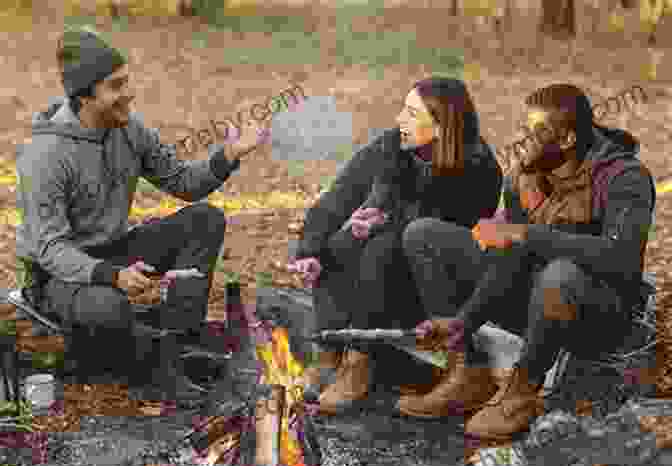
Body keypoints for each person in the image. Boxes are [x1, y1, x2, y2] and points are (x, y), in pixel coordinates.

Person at [15, 26, 269, 402]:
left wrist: (229, 154)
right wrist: (111, 276)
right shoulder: (45, 156)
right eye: (116, 86)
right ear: (86, 95)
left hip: (115, 253)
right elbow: (50, 248)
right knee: (107, 305)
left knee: (205, 219)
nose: (129, 93)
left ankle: (180, 342)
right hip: (59, 276)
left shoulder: (129, 130)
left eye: (127, 82)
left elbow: (183, 181)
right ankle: (150, 364)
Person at [398, 83, 656, 440]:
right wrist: (465, 321)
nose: (521, 140)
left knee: (560, 273)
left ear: (565, 140)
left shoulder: (624, 177)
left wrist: (526, 234)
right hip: (534, 299)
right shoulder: (523, 176)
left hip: (599, 313)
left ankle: (522, 388)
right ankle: (465, 371)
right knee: (424, 235)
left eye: (533, 132)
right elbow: (512, 257)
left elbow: (621, 259)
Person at [289, 77, 503, 415]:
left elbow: (431, 233)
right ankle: (330, 351)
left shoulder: (477, 167)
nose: (400, 120)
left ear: (440, 126)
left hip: (431, 288)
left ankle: (360, 360)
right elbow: (337, 198)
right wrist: (309, 252)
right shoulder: (394, 144)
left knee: (381, 246)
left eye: (411, 113)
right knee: (334, 240)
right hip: (383, 269)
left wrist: (382, 217)